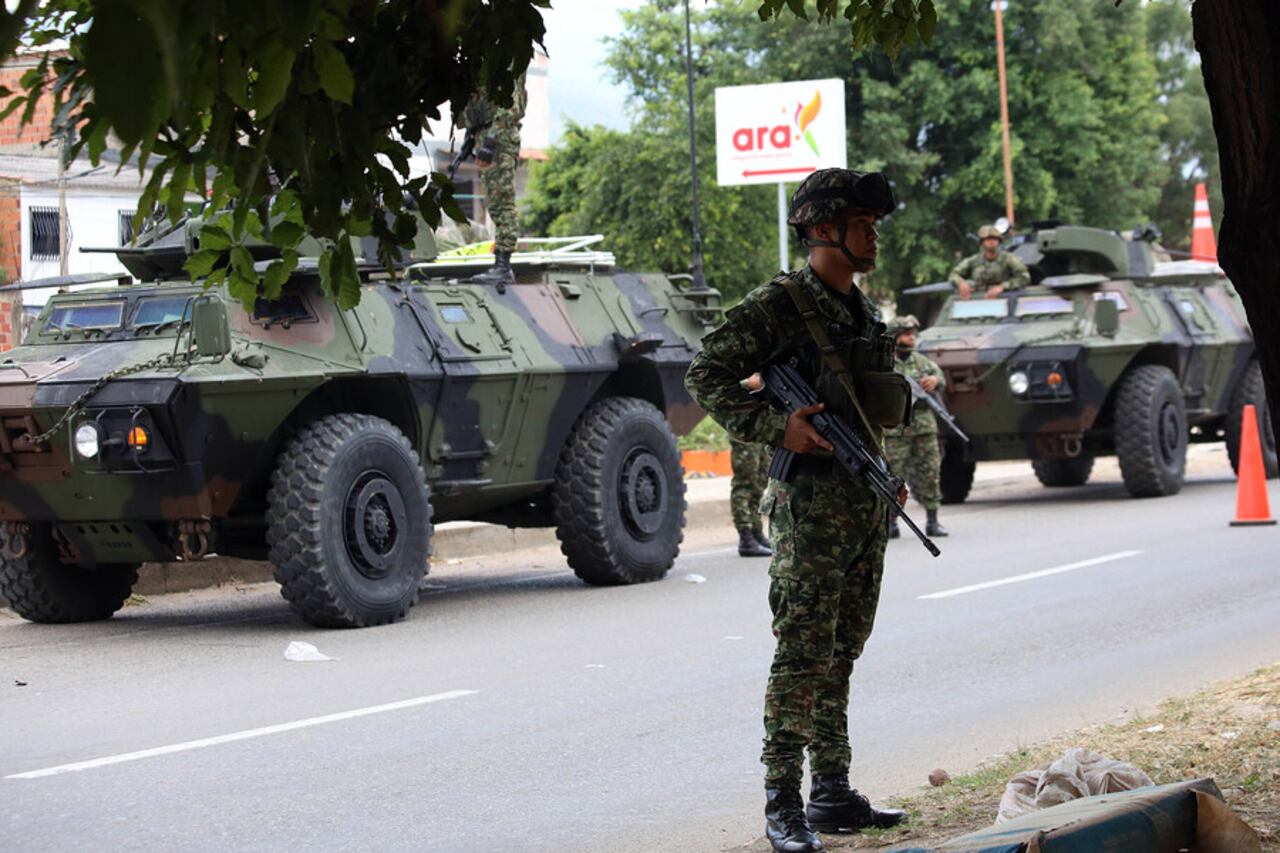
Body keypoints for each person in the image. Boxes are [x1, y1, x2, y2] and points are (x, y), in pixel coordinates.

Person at [686, 168, 908, 853]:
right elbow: (706, 374)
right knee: (802, 655)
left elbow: (866, 410)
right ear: (821, 229)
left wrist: (888, 476)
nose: (873, 234)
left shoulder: (860, 309)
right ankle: (783, 801)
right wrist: (776, 427)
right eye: (861, 222)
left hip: (861, 503)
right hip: (809, 509)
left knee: (843, 650)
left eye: (874, 223)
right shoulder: (781, 305)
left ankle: (832, 791)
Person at [456, 72, 527, 287]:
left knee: (501, 203)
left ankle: (503, 267)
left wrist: (491, 139)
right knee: (494, 202)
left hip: (499, 136)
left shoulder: (507, 57)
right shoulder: (489, 57)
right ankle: (501, 265)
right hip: (489, 133)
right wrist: (472, 135)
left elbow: (510, 106)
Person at [882, 315, 948, 538]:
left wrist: (935, 381)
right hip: (895, 430)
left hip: (924, 428)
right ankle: (890, 522)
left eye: (913, 334)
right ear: (894, 337)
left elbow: (939, 375)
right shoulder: (884, 363)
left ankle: (933, 520)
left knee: (930, 472)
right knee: (892, 476)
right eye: (906, 334)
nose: (911, 338)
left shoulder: (921, 361)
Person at [948, 224, 1029, 299]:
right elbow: (954, 274)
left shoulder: (1009, 259)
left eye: (994, 239)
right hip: (979, 299)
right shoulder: (973, 260)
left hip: (1005, 298)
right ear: (982, 242)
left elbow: (1024, 277)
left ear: (999, 241)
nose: (991, 241)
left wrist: (1002, 287)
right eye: (988, 239)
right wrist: (961, 283)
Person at [731, 436, 772, 557]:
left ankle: (756, 531)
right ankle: (746, 538)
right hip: (745, 433)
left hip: (760, 433)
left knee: (760, 481)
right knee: (745, 483)